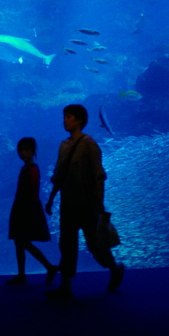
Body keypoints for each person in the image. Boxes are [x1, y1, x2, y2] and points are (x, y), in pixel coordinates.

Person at [44, 104, 124, 299]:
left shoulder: (89, 144)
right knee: (67, 245)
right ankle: (66, 286)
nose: (65, 120)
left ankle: (114, 267)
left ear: (79, 120)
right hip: (67, 205)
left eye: (69, 117)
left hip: (87, 205)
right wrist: (51, 199)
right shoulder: (63, 146)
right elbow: (59, 176)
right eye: (65, 116)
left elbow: (99, 175)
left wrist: (99, 202)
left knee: (95, 246)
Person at [6, 137, 59, 286]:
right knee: (20, 242)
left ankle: (46, 268)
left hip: (27, 209)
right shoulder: (25, 168)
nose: (23, 153)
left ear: (32, 151)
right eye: (21, 150)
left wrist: (31, 213)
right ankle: (24, 273)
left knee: (23, 242)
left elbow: (34, 192)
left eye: (26, 150)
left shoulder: (33, 169)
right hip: (20, 208)